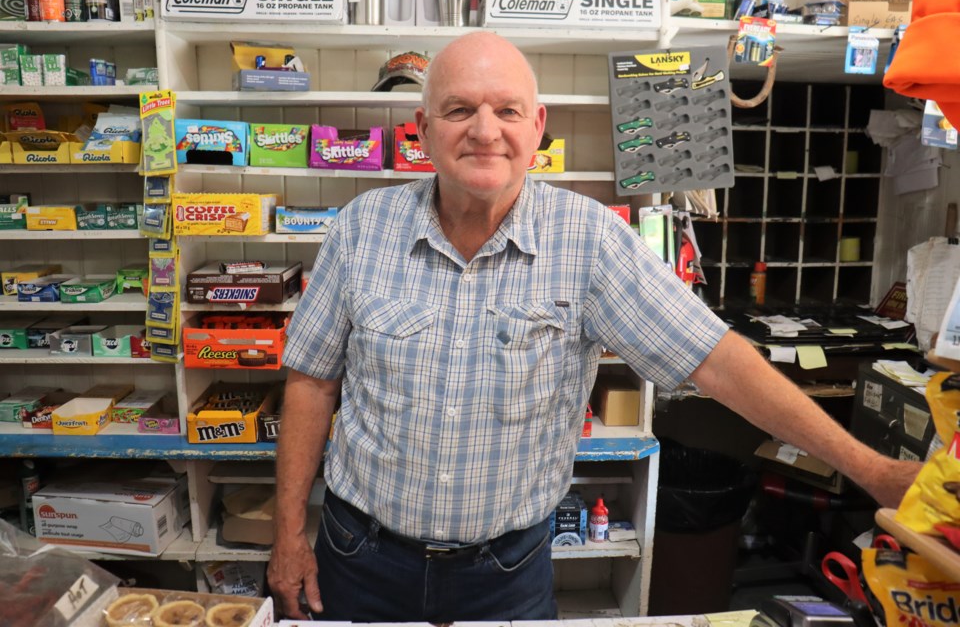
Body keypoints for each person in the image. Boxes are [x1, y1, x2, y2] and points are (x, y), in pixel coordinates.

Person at [268, 31, 922, 622]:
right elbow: (311, 382)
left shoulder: (589, 242)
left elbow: (718, 360)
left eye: (508, 110)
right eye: (460, 109)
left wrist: (871, 470)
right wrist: (288, 535)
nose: (485, 130)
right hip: (359, 555)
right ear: (423, 128)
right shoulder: (362, 229)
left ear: (538, 127)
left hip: (507, 575)